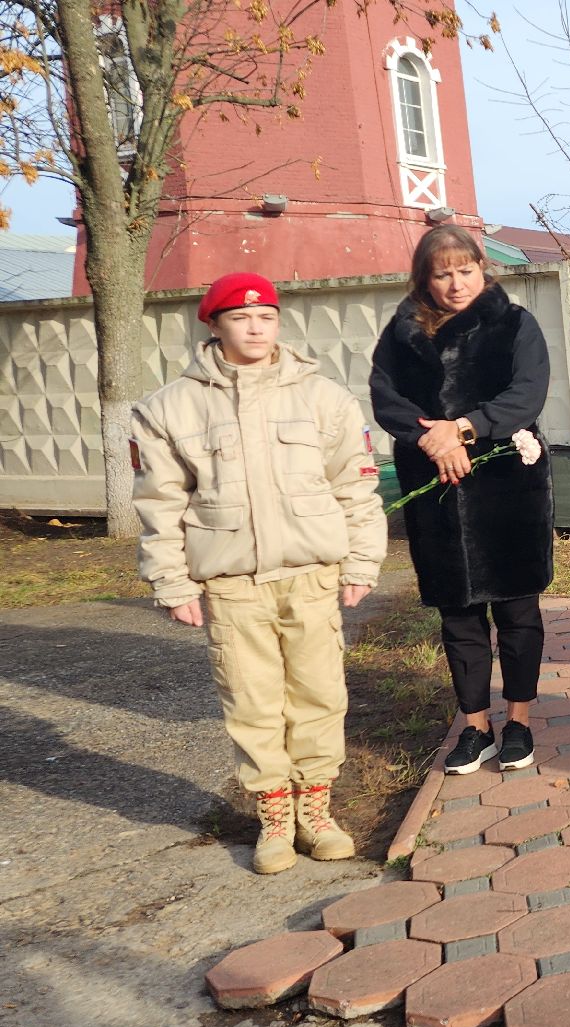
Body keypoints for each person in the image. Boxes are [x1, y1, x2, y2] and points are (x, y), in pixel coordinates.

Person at [132, 272, 385, 874]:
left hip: (311, 575)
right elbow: (159, 503)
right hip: (232, 584)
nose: (255, 328)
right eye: (241, 318)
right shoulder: (169, 408)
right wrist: (171, 581)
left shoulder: (323, 398)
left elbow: (355, 486)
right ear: (214, 325)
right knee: (251, 700)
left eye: (266, 317)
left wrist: (362, 560)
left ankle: (316, 812)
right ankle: (274, 818)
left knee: (320, 693)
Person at [370, 225, 554, 776]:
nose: (456, 284)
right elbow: (386, 397)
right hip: (437, 489)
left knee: (517, 609)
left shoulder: (515, 324)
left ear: (482, 268)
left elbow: (527, 393)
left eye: (465, 270)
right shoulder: (402, 332)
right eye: (442, 274)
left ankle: (518, 721)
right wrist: (435, 440)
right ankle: (476, 727)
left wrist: (465, 428)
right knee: (459, 613)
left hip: (505, 486)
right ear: (424, 279)